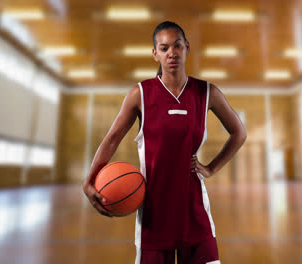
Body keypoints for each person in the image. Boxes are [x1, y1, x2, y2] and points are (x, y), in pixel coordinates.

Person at [83, 21, 246, 264]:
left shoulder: (207, 92)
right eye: (164, 47)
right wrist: (89, 180)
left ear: (187, 48)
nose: (172, 52)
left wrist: (211, 168)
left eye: (177, 46)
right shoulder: (140, 94)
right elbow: (112, 139)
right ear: (155, 53)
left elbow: (239, 133)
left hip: (194, 212)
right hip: (153, 214)